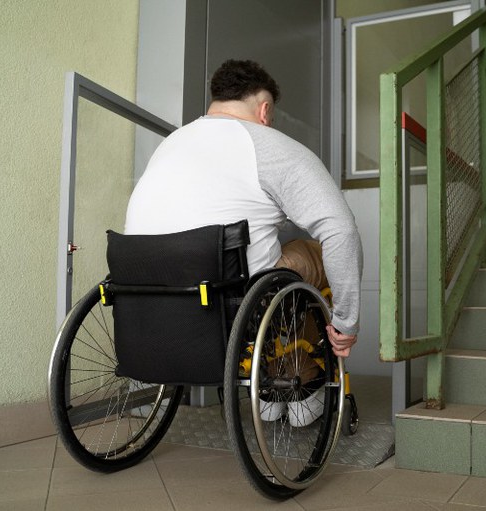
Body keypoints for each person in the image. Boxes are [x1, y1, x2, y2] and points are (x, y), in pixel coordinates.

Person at [124, 60, 362, 425]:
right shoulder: (271, 145)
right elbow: (340, 230)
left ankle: (267, 389)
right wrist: (347, 323)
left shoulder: (170, 144)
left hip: (145, 294)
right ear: (264, 110)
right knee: (314, 251)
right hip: (234, 296)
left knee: (272, 257)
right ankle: (300, 379)